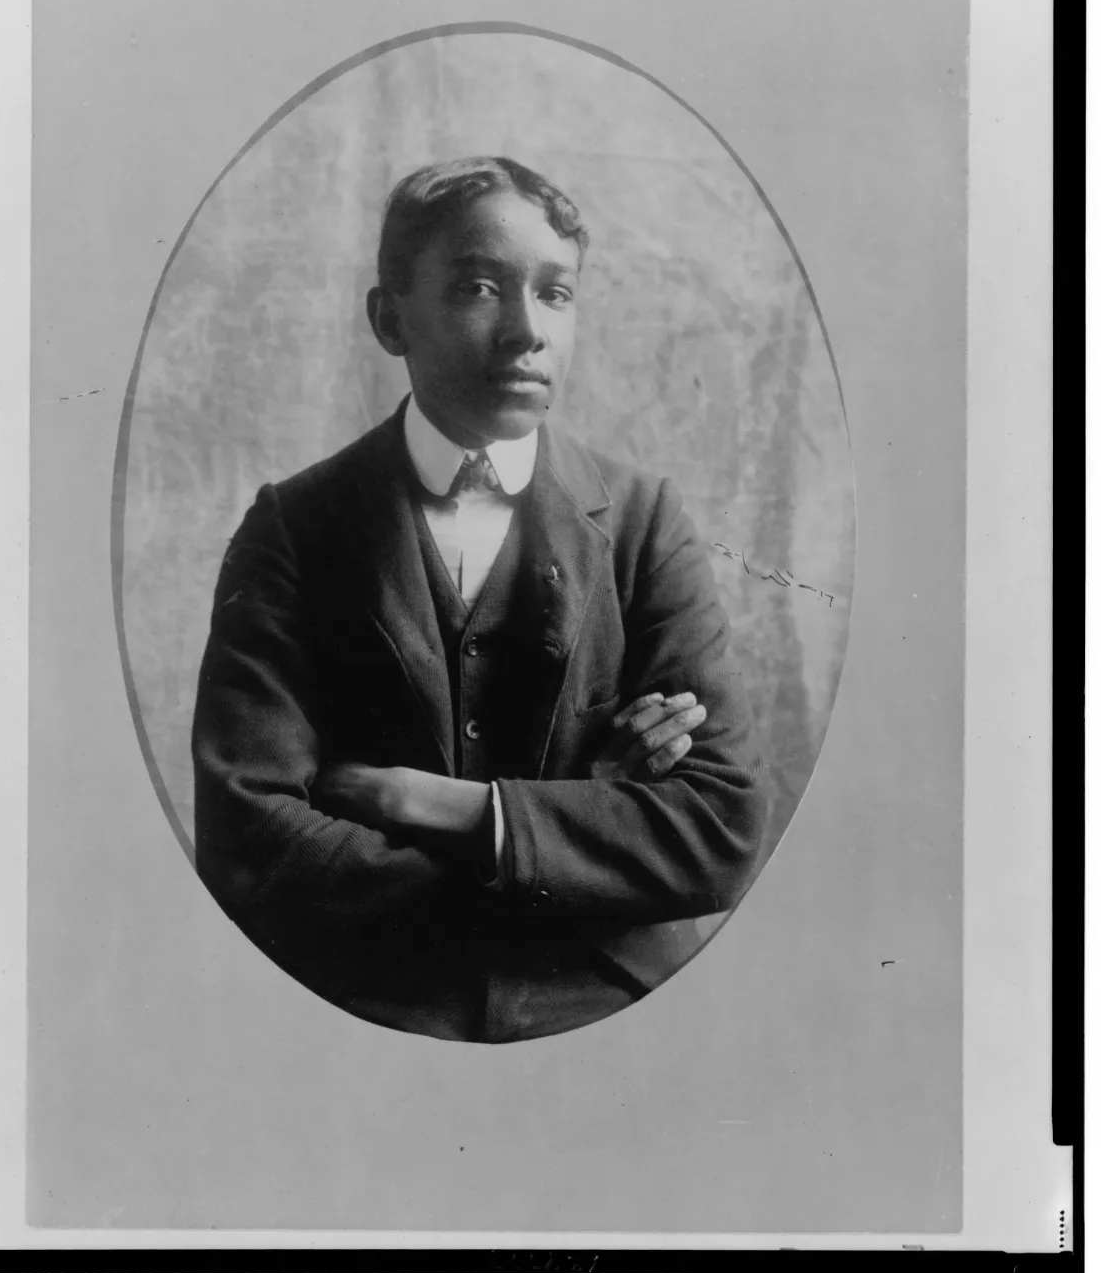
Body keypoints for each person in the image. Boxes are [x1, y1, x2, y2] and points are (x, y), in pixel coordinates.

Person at [192, 156, 770, 1043]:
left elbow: (723, 827)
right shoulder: (295, 528)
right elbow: (250, 840)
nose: (526, 331)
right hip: (372, 1011)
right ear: (390, 319)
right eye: (478, 286)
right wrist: (577, 835)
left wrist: (431, 805)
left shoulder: (644, 521)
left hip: (610, 1012)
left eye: (557, 294)